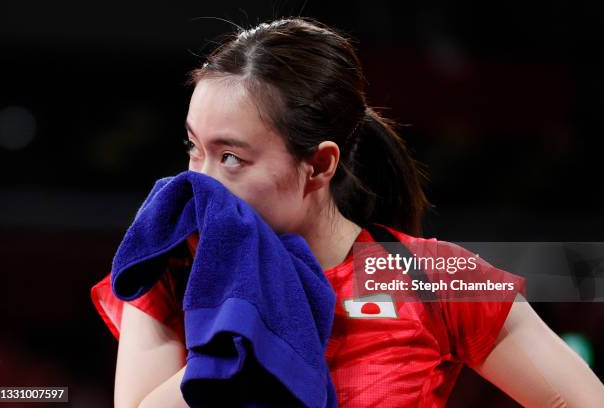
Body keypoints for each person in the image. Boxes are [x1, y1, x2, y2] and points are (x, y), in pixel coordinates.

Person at [90, 17, 604, 407]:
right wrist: (241, 335)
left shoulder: (432, 276)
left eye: (230, 158)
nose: (198, 183)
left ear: (319, 165)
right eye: (193, 148)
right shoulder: (168, 272)